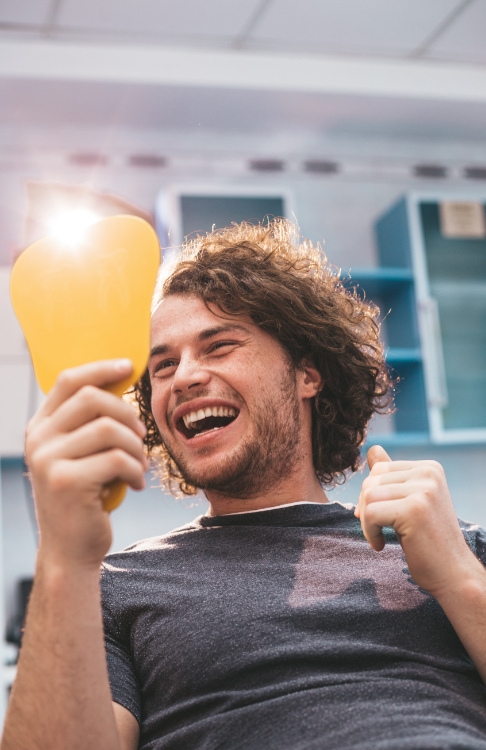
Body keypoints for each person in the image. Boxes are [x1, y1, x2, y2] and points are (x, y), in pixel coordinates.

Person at [2, 219, 486, 750]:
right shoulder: (113, 588)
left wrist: (461, 577)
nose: (184, 376)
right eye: (162, 366)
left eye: (218, 346)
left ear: (307, 373)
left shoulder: (449, 545)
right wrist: (64, 560)